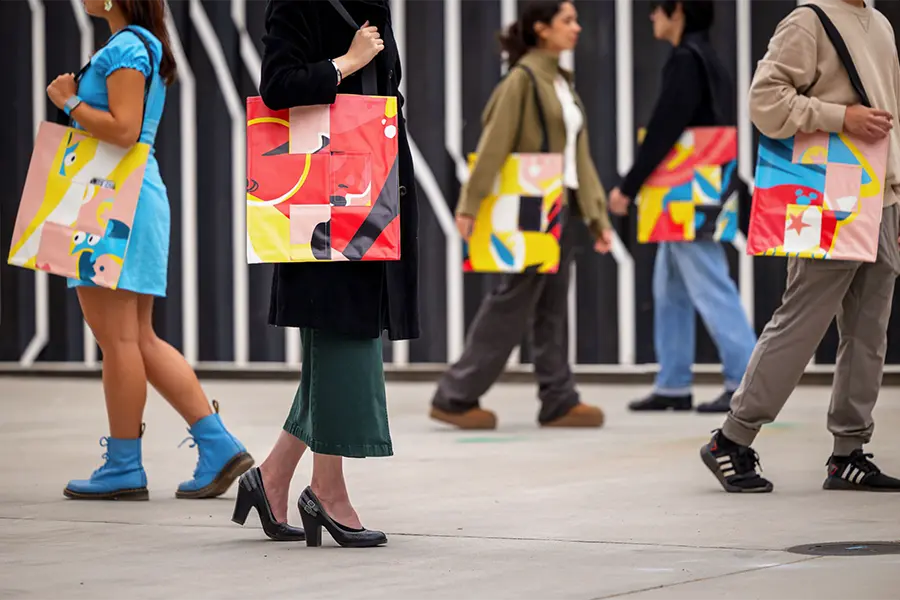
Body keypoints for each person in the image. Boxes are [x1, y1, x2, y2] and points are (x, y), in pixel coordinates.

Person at [46, 0, 252, 501]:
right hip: (131, 197)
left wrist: (68, 101)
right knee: (138, 338)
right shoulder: (143, 45)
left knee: (119, 342)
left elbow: (123, 129)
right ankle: (218, 445)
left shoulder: (126, 48)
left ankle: (123, 465)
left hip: (112, 199)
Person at [230, 0, 419, 547]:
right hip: (325, 198)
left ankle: (272, 479)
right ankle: (327, 491)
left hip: (369, 192)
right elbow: (277, 86)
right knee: (343, 336)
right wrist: (344, 62)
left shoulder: (372, 3)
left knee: (337, 340)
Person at [701, 0, 900, 493]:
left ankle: (848, 454)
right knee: (801, 322)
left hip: (882, 197)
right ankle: (732, 438)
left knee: (868, 332)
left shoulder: (880, 24)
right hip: (829, 193)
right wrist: (840, 116)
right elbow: (764, 102)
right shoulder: (809, 19)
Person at [429, 0, 613, 431]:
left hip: (559, 207)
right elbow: (493, 145)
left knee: (551, 305)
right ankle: (455, 396)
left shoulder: (562, 82)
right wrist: (469, 206)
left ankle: (558, 398)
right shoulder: (523, 80)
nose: (577, 28)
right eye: (567, 21)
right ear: (541, 29)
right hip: (532, 206)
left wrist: (596, 217)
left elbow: (578, 158)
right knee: (512, 301)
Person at [609, 0, 756, 414]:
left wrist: (629, 186)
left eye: (657, 9)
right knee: (669, 287)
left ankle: (745, 381)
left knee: (710, 283)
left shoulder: (686, 61)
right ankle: (673, 383)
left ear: (677, 12)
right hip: (695, 192)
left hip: (686, 197)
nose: (652, 16)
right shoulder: (706, 58)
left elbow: (664, 130)